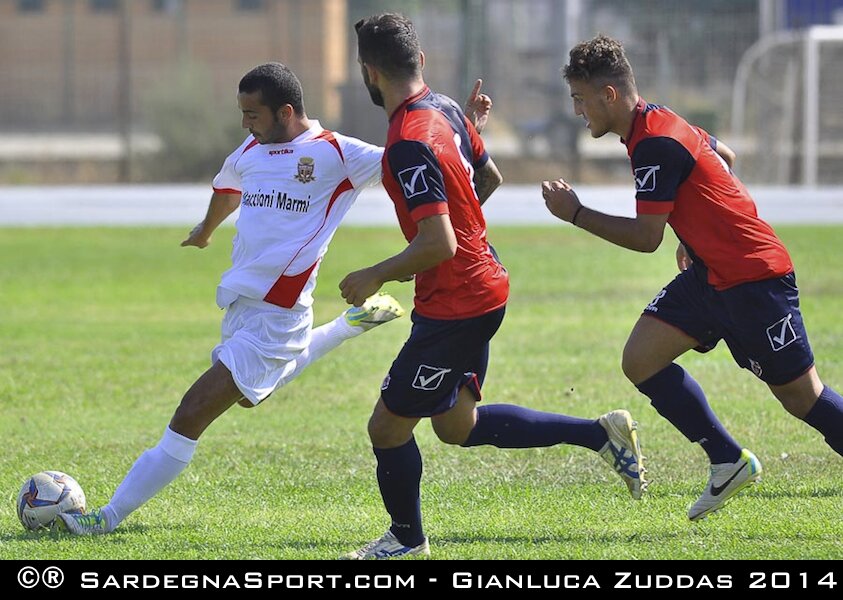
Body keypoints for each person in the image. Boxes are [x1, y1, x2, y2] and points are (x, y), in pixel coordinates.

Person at [340, 14, 646, 560]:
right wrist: (434, 242)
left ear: (368, 71)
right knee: (457, 426)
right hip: (481, 287)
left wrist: (378, 272)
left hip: (457, 303)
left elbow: (440, 244)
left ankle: (407, 543)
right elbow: (487, 179)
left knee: (387, 428)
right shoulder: (446, 109)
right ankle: (601, 434)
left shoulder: (408, 141)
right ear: (421, 63)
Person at [53, 62, 406, 535]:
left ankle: (106, 518)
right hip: (241, 305)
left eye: (252, 114)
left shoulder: (337, 153)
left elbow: (410, 162)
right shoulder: (253, 147)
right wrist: (206, 229)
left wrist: (461, 133)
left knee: (191, 413)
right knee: (245, 398)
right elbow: (229, 185)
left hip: (279, 315)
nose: (244, 123)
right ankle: (350, 324)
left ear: (285, 111)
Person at [543, 35, 843, 521]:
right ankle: (728, 460)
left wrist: (575, 212)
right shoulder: (657, 120)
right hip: (711, 276)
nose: (578, 110)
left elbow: (645, 238)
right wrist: (696, 232)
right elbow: (722, 156)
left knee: (801, 398)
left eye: (580, 99)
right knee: (641, 359)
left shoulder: (655, 141)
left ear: (609, 95)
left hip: (754, 279)